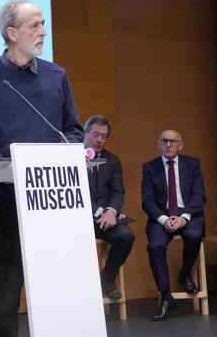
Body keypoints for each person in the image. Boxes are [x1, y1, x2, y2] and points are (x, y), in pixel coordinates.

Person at [0, 0, 83, 337]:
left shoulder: (57, 75)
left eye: (43, 23)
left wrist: (69, 151)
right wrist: (13, 168)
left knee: (58, 291)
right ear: (12, 32)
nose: (43, 31)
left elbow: (73, 130)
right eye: (35, 25)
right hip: (5, 201)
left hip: (51, 201)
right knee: (6, 294)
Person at [141, 129, 206, 321]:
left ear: (180, 145)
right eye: (164, 141)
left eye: (173, 141)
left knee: (194, 235)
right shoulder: (149, 167)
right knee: (155, 246)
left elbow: (199, 196)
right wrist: (163, 219)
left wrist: (184, 217)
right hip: (161, 216)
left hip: (188, 214)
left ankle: (185, 274)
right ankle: (166, 296)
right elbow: (147, 201)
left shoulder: (193, 164)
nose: (168, 145)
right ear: (158, 144)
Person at [83, 115, 135, 299]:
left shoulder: (112, 161)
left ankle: (106, 278)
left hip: (105, 219)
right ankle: (81, 289)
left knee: (126, 235)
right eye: (95, 134)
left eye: (103, 136)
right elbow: (77, 193)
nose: (99, 140)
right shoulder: (71, 157)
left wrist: (112, 211)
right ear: (86, 133)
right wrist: (101, 211)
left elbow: (118, 191)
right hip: (80, 218)